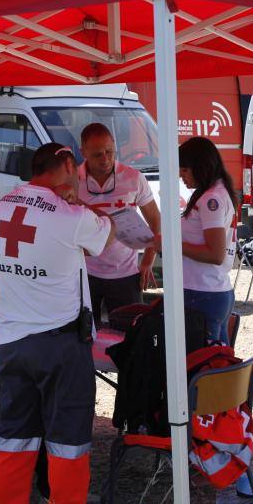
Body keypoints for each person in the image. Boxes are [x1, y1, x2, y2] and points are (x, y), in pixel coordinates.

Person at [0, 142, 113, 504]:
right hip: (61, 345)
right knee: (68, 444)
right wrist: (77, 202)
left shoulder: (4, 205)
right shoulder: (69, 215)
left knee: (11, 438)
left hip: (11, 344)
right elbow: (107, 233)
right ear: (67, 164)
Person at [155, 136, 237, 344]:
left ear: (201, 166)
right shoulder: (214, 193)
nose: (181, 176)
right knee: (216, 366)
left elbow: (215, 254)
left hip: (203, 292)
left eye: (185, 170)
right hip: (207, 290)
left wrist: (173, 245)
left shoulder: (212, 198)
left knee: (202, 369)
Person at [77, 122, 161, 323]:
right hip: (85, 273)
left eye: (110, 151)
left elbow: (155, 220)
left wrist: (148, 259)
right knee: (85, 336)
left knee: (128, 336)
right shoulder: (73, 180)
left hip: (125, 274)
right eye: (98, 154)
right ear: (83, 152)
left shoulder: (134, 178)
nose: (105, 159)